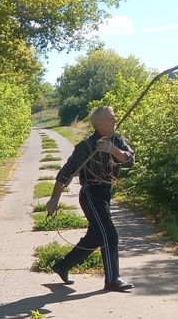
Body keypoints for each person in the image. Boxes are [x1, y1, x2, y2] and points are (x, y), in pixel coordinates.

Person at [46, 106, 135, 292]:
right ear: (99, 124)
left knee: (95, 237)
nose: (115, 121)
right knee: (109, 234)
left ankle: (62, 266)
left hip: (106, 193)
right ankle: (112, 280)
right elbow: (66, 173)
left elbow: (130, 160)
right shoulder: (86, 146)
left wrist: (113, 150)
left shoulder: (117, 139)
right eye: (112, 119)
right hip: (91, 195)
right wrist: (54, 198)